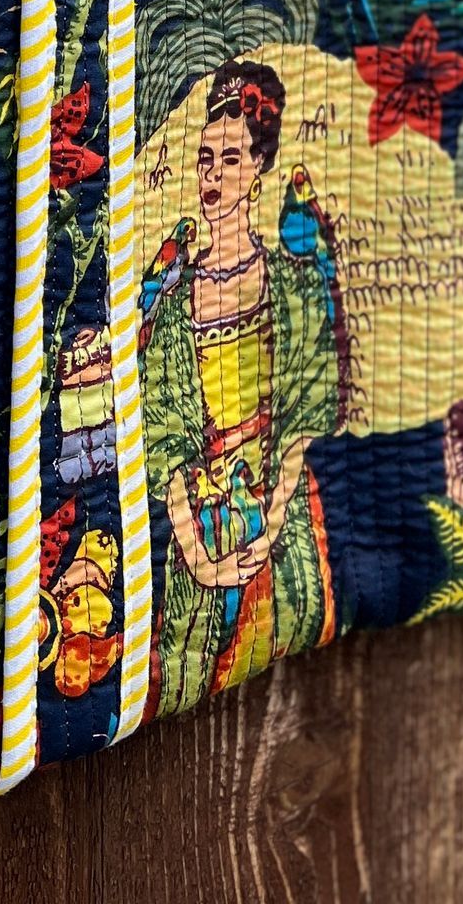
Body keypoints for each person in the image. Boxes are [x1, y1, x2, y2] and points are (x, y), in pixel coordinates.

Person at [140, 59, 339, 711]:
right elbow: (165, 439)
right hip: (200, 535)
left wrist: (272, 525)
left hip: (278, 531)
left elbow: (308, 410)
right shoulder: (172, 310)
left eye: (230, 159)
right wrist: (199, 558)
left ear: (259, 169)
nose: (212, 176)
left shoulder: (295, 287)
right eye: (204, 159)